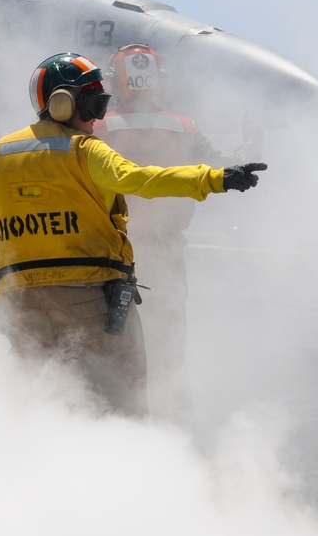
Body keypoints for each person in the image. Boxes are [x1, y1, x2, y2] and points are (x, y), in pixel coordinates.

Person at [0, 51, 266, 417]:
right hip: (90, 298)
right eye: (94, 105)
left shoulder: (0, 154)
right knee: (122, 401)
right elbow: (141, 180)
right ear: (63, 104)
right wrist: (216, 179)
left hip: (22, 303)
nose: (97, 118)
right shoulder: (86, 150)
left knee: (41, 401)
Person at [96, 43, 264, 422]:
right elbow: (226, 167)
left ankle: (118, 425)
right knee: (168, 349)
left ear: (114, 81)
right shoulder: (184, 128)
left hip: (113, 257)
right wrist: (253, 141)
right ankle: (172, 426)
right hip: (167, 255)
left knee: (113, 347)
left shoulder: (98, 128)